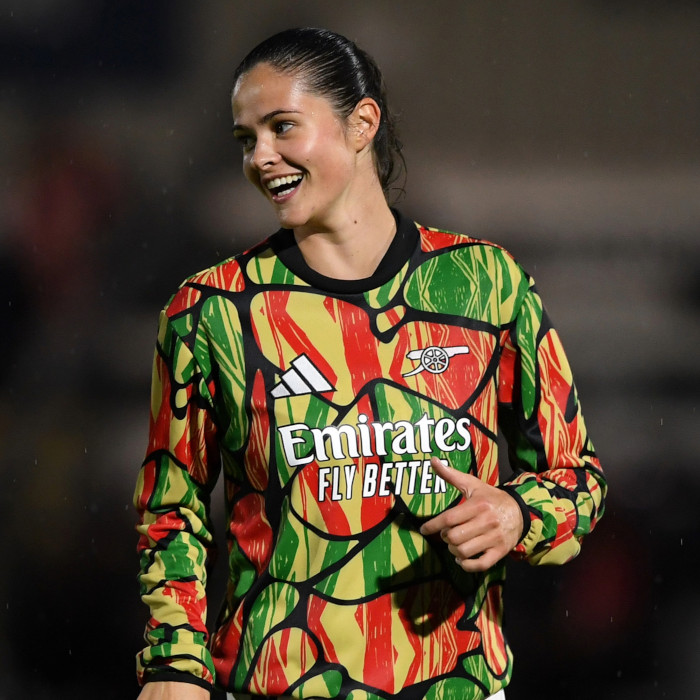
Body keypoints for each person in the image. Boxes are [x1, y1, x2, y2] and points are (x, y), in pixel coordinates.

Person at [133, 27, 607, 700]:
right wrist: (174, 662)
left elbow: (578, 476)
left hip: (459, 686)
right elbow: (170, 508)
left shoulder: (485, 283)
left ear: (362, 123)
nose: (260, 157)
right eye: (246, 139)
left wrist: (517, 514)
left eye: (282, 127)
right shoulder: (211, 311)